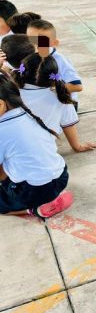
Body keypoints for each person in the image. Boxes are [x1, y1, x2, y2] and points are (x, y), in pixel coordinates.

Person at [0, 74, 73, 219]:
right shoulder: (25, 113)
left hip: (34, 190)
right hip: (61, 177)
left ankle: (35, 210)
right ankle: (51, 197)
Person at [15, 53, 96, 153]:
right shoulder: (60, 96)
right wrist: (77, 147)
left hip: (13, 146)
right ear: (54, 76)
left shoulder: (12, 92)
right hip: (45, 149)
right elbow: (68, 124)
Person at [27, 20, 83, 103]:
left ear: (54, 43)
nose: (35, 44)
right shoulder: (29, 56)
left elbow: (77, 86)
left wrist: (49, 91)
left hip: (63, 104)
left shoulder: (60, 60)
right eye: (31, 40)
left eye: (41, 41)